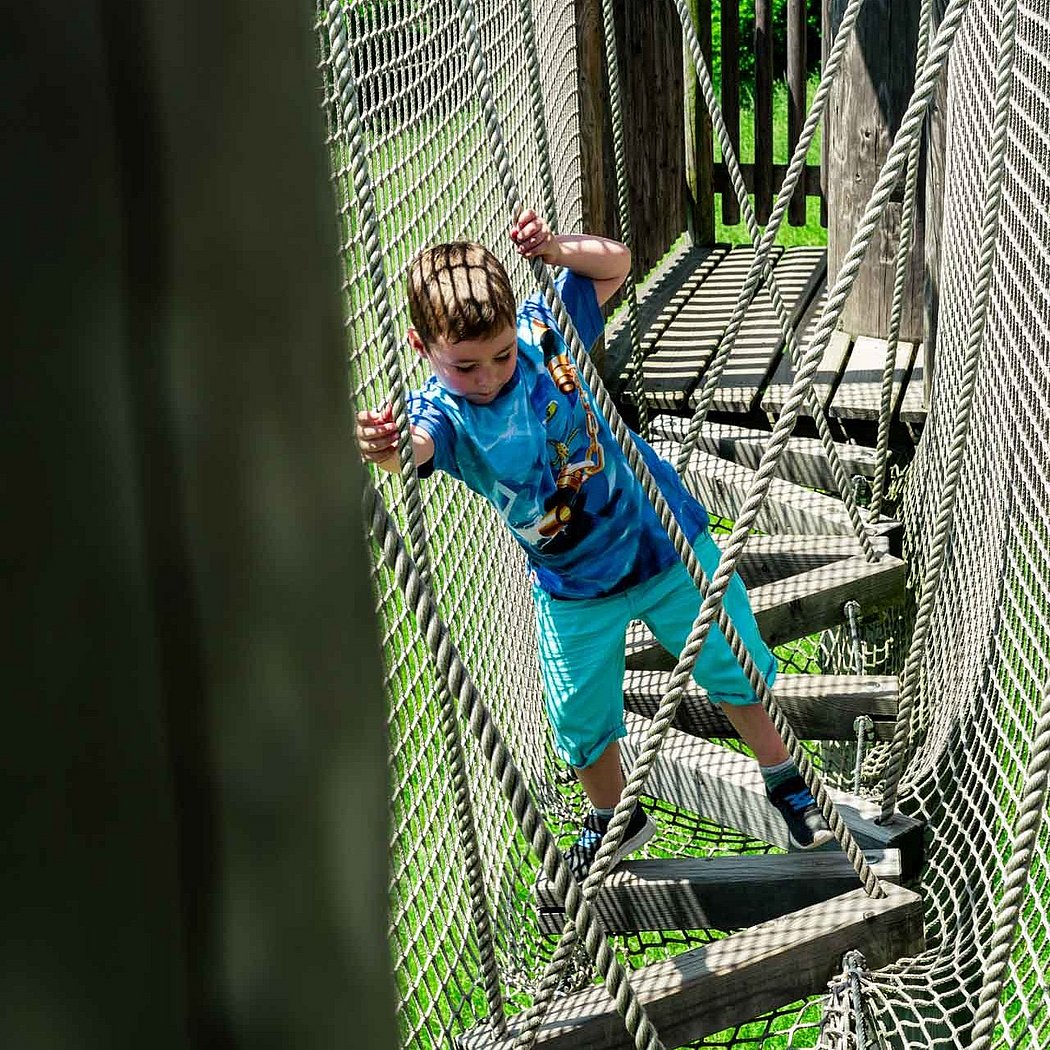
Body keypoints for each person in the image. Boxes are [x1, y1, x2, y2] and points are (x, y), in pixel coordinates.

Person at [356, 210, 834, 880]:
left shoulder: (543, 332)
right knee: (578, 719)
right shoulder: (446, 412)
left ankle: (785, 780)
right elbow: (417, 449)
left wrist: (553, 249)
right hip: (573, 588)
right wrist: (388, 445)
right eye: (465, 366)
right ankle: (616, 816)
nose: (490, 375)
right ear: (421, 347)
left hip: (661, 544)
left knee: (736, 664)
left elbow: (615, 263)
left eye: (497, 357)